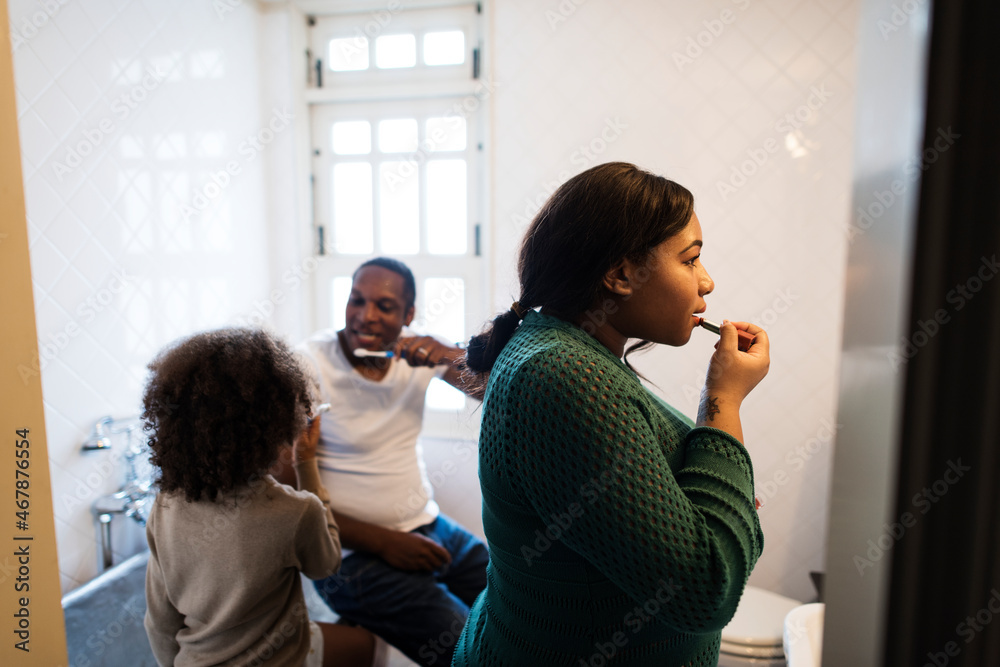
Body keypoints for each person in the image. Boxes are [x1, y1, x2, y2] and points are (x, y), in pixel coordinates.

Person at [452, 162, 769, 666]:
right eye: (690, 261)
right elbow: (706, 589)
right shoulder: (563, 374)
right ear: (621, 274)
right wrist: (723, 401)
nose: (706, 282)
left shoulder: (567, 351)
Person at [142, 327, 385, 667]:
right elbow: (325, 564)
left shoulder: (164, 505)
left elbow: (160, 621)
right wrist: (307, 463)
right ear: (277, 425)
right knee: (365, 645)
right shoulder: (295, 512)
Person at [293, 258, 489, 667]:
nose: (365, 316)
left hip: (430, 526)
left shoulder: (418, 354)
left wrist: (452, 355)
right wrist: (385, 542)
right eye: (356, 300)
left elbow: (495, 389)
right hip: (347, 555)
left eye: (383, 306)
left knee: (521, 595)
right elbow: (287, 490)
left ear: (408, 315)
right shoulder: (309, 365)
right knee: (469, 648)